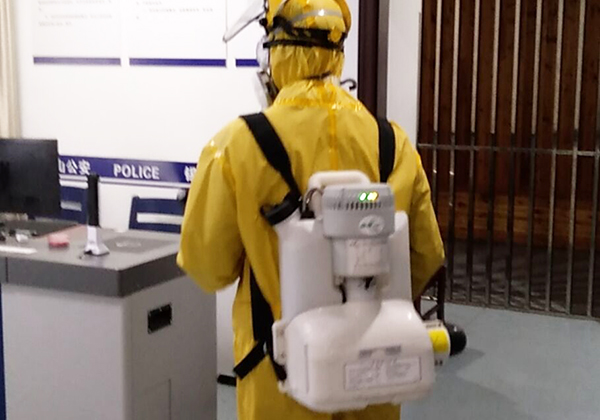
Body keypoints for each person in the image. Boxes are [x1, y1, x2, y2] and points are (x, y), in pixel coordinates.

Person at [178, 1, 445, 419]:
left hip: (279, 377)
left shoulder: (235, 146)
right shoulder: (392, 143)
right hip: (373, 372)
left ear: (276, 52)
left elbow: (207, 267)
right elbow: (427, 255)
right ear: (337, 53)